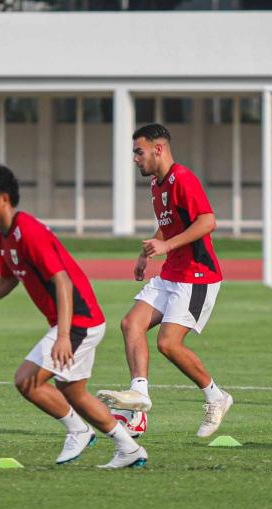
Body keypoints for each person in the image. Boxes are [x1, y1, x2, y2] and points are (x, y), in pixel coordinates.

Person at [0, 164, 147, 469]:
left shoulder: (29, 231)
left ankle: (79, 431)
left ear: (4, 199)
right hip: (76, 322)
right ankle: (129, 448)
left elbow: (62, 281)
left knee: (26, 381)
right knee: (74, 393)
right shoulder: (4, 238)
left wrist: (63, 336)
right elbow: (7, 280)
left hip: (79, 321)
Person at [97, 124, 232, 438]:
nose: (135, 158)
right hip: (171, 273)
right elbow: (169, 224)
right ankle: (139, 396)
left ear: (158, 149)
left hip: (197, 276)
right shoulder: (157, 185)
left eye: (139, 152)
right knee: (131, 323)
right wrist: (146, 253)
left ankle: (216, 397)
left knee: (168, 344)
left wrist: (167, 246)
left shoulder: (182, 178)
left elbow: (207, 221)